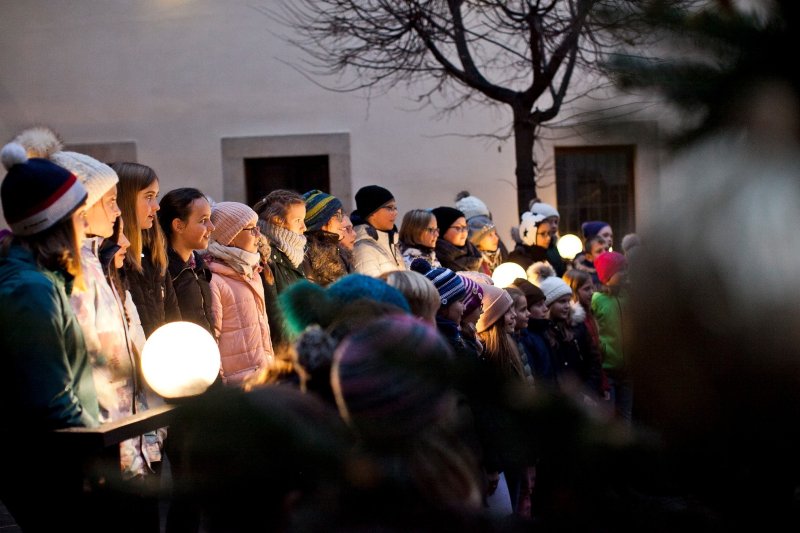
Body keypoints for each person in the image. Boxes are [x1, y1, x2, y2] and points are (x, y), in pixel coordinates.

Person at [0, 141, 101, 530]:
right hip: (51, 461)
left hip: (55, 457)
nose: (85, 228)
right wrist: (92, 453)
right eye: (80, 218)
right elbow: (49, 395)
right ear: (57, 225)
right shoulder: (31, 288)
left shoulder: (42, 281)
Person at [207, 201, 274, 387]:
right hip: (237, 386)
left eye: (257, 228)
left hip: (263, 380)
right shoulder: (215, 280)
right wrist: (222, 386)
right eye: (250, 229)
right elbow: (214, 337)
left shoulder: (252, 272)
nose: (258, 235)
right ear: (231, 236)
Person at [112, 161, 181, 337]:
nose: (156, 206)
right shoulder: (115, 259)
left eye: (156, 196)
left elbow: (173, 317)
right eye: (149, 196)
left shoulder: (154, 254)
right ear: (126, 199)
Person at [158, 187, 216, 333]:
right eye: (203, 221)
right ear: (178, 225)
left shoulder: (200, 267)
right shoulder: (163, 272)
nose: (212, 227)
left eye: (210, 219)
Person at [591, 251, 631, 423]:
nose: (625, 273)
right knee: (610, 418)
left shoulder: (628, 296)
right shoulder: (597, 300)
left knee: (626, 416)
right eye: (620, 270)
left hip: (629, 369)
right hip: (608, 369)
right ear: (607, 275)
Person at [254, 188, 308, 294]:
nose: (304, 227)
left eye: (303, 220)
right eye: (298, 220)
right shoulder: (263, 255)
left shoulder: (296, 252)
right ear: (277, 220)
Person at [350, 185, 405, 276]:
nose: (395, 213)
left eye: (395, 208)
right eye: (389, 208)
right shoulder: (364, 250)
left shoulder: (392, 243)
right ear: (372, 213)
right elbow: (371, 288)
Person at [301, 189, 349, 286]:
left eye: (342, 215)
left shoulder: (338, 250)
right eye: (338, 216)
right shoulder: (307, 255)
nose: (343, 222)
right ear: (321, 220)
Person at [432, 206, 482, 272]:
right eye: (458, 228)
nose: (464, 231)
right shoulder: (433, 259)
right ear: (442, 230)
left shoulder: (474, 253)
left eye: (465, 227)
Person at [529, 200, 567, 277]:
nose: (554, 226)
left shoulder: (553, 244)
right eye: (550, 222)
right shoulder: (531, 250)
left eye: (556, 222)